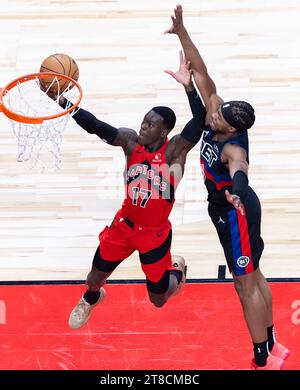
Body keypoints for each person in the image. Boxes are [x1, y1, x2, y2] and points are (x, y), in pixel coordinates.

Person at [164, 4, 290, 370]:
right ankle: (272, 342)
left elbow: (241, 169)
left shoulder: (233, 145)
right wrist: (182, 32)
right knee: (254, 276)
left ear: (232, 128)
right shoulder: (220, 112)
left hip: (237, 210)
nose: (212, 113)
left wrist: (235, 190)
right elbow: (201, 71)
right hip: (227, 210)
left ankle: (262, 357)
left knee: (244, 284)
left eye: (217, 117)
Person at [52, 59, 204, 330]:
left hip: (154, 234)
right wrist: (63, 102)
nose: (143, 127)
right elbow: (96, 126)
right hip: (123, 226)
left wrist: (189, 87)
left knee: (158, 299)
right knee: (94, 277)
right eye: (144, 121)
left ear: (164, 131)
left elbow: (200, 120)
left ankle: (176, 273)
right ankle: (90, 299)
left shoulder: (174, 152)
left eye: (150, 124)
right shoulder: (129, 141)